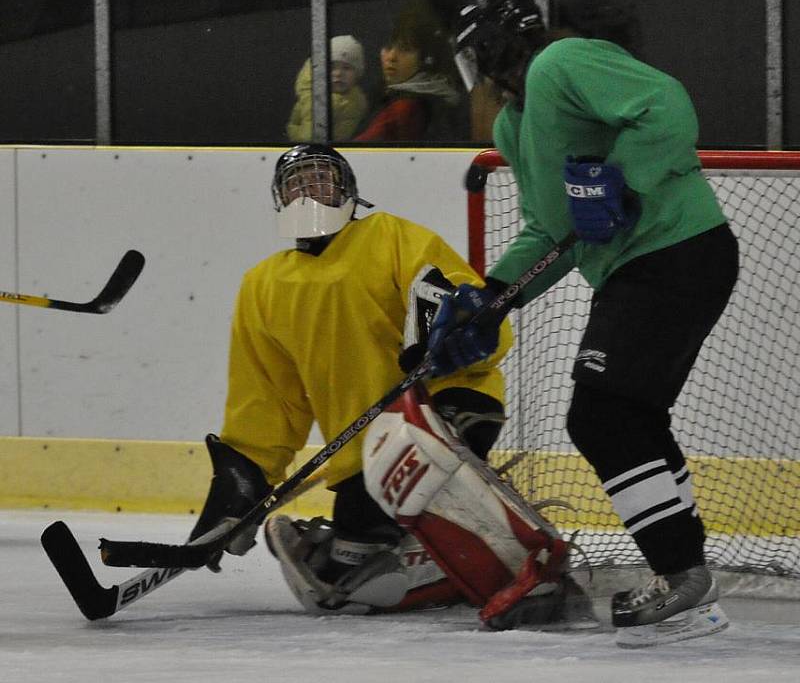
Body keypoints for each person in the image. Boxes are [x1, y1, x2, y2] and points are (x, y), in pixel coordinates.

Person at [431, 0, 738, 647]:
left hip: (676, 251)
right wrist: (492, 297)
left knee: (600, 413)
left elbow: (667, 105)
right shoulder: (516, 125)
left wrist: (624, 176)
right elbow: (550, 231)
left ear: (489, 46)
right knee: (629, 414)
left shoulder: (561, 63)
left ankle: (681, 572)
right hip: (646, 266)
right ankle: (688, 570)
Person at [187, 143, 593, 626]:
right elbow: (267, 398)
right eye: (295, 184)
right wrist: (243, 480)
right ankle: (413, 557)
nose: (307, 192)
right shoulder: (263, 285)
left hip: (444, 407)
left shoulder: (390, 235)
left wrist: (436, 341)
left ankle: (514, 560)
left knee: (376, 539)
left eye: (320, 180)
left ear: (348, 192)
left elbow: (452, 297)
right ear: (278, 200)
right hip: (362, 455)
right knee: (347, 571)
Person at [355, 0, 463, 142]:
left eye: (405, 49)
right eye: (388, 47)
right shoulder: (383, 95)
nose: (392, 57)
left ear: (425, 60)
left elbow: (359, 150)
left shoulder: (406, 107)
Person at [286, 35, 368, 142]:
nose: (338, 73)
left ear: (358, 74)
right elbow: (308, 137)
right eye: (331, 67)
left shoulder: (358, 102)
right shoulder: (310, 97)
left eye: (346, 68)